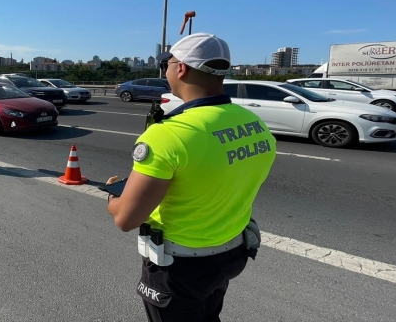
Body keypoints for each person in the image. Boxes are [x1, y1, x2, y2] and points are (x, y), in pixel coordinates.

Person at [106, 33, 277, 321]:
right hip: (231, 253)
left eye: (168, 64)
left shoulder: (169, 134)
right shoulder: (253, 123)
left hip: (180, 266)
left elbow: (126, 219)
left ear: (181, 68)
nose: (167, 71)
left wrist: (114, 195)